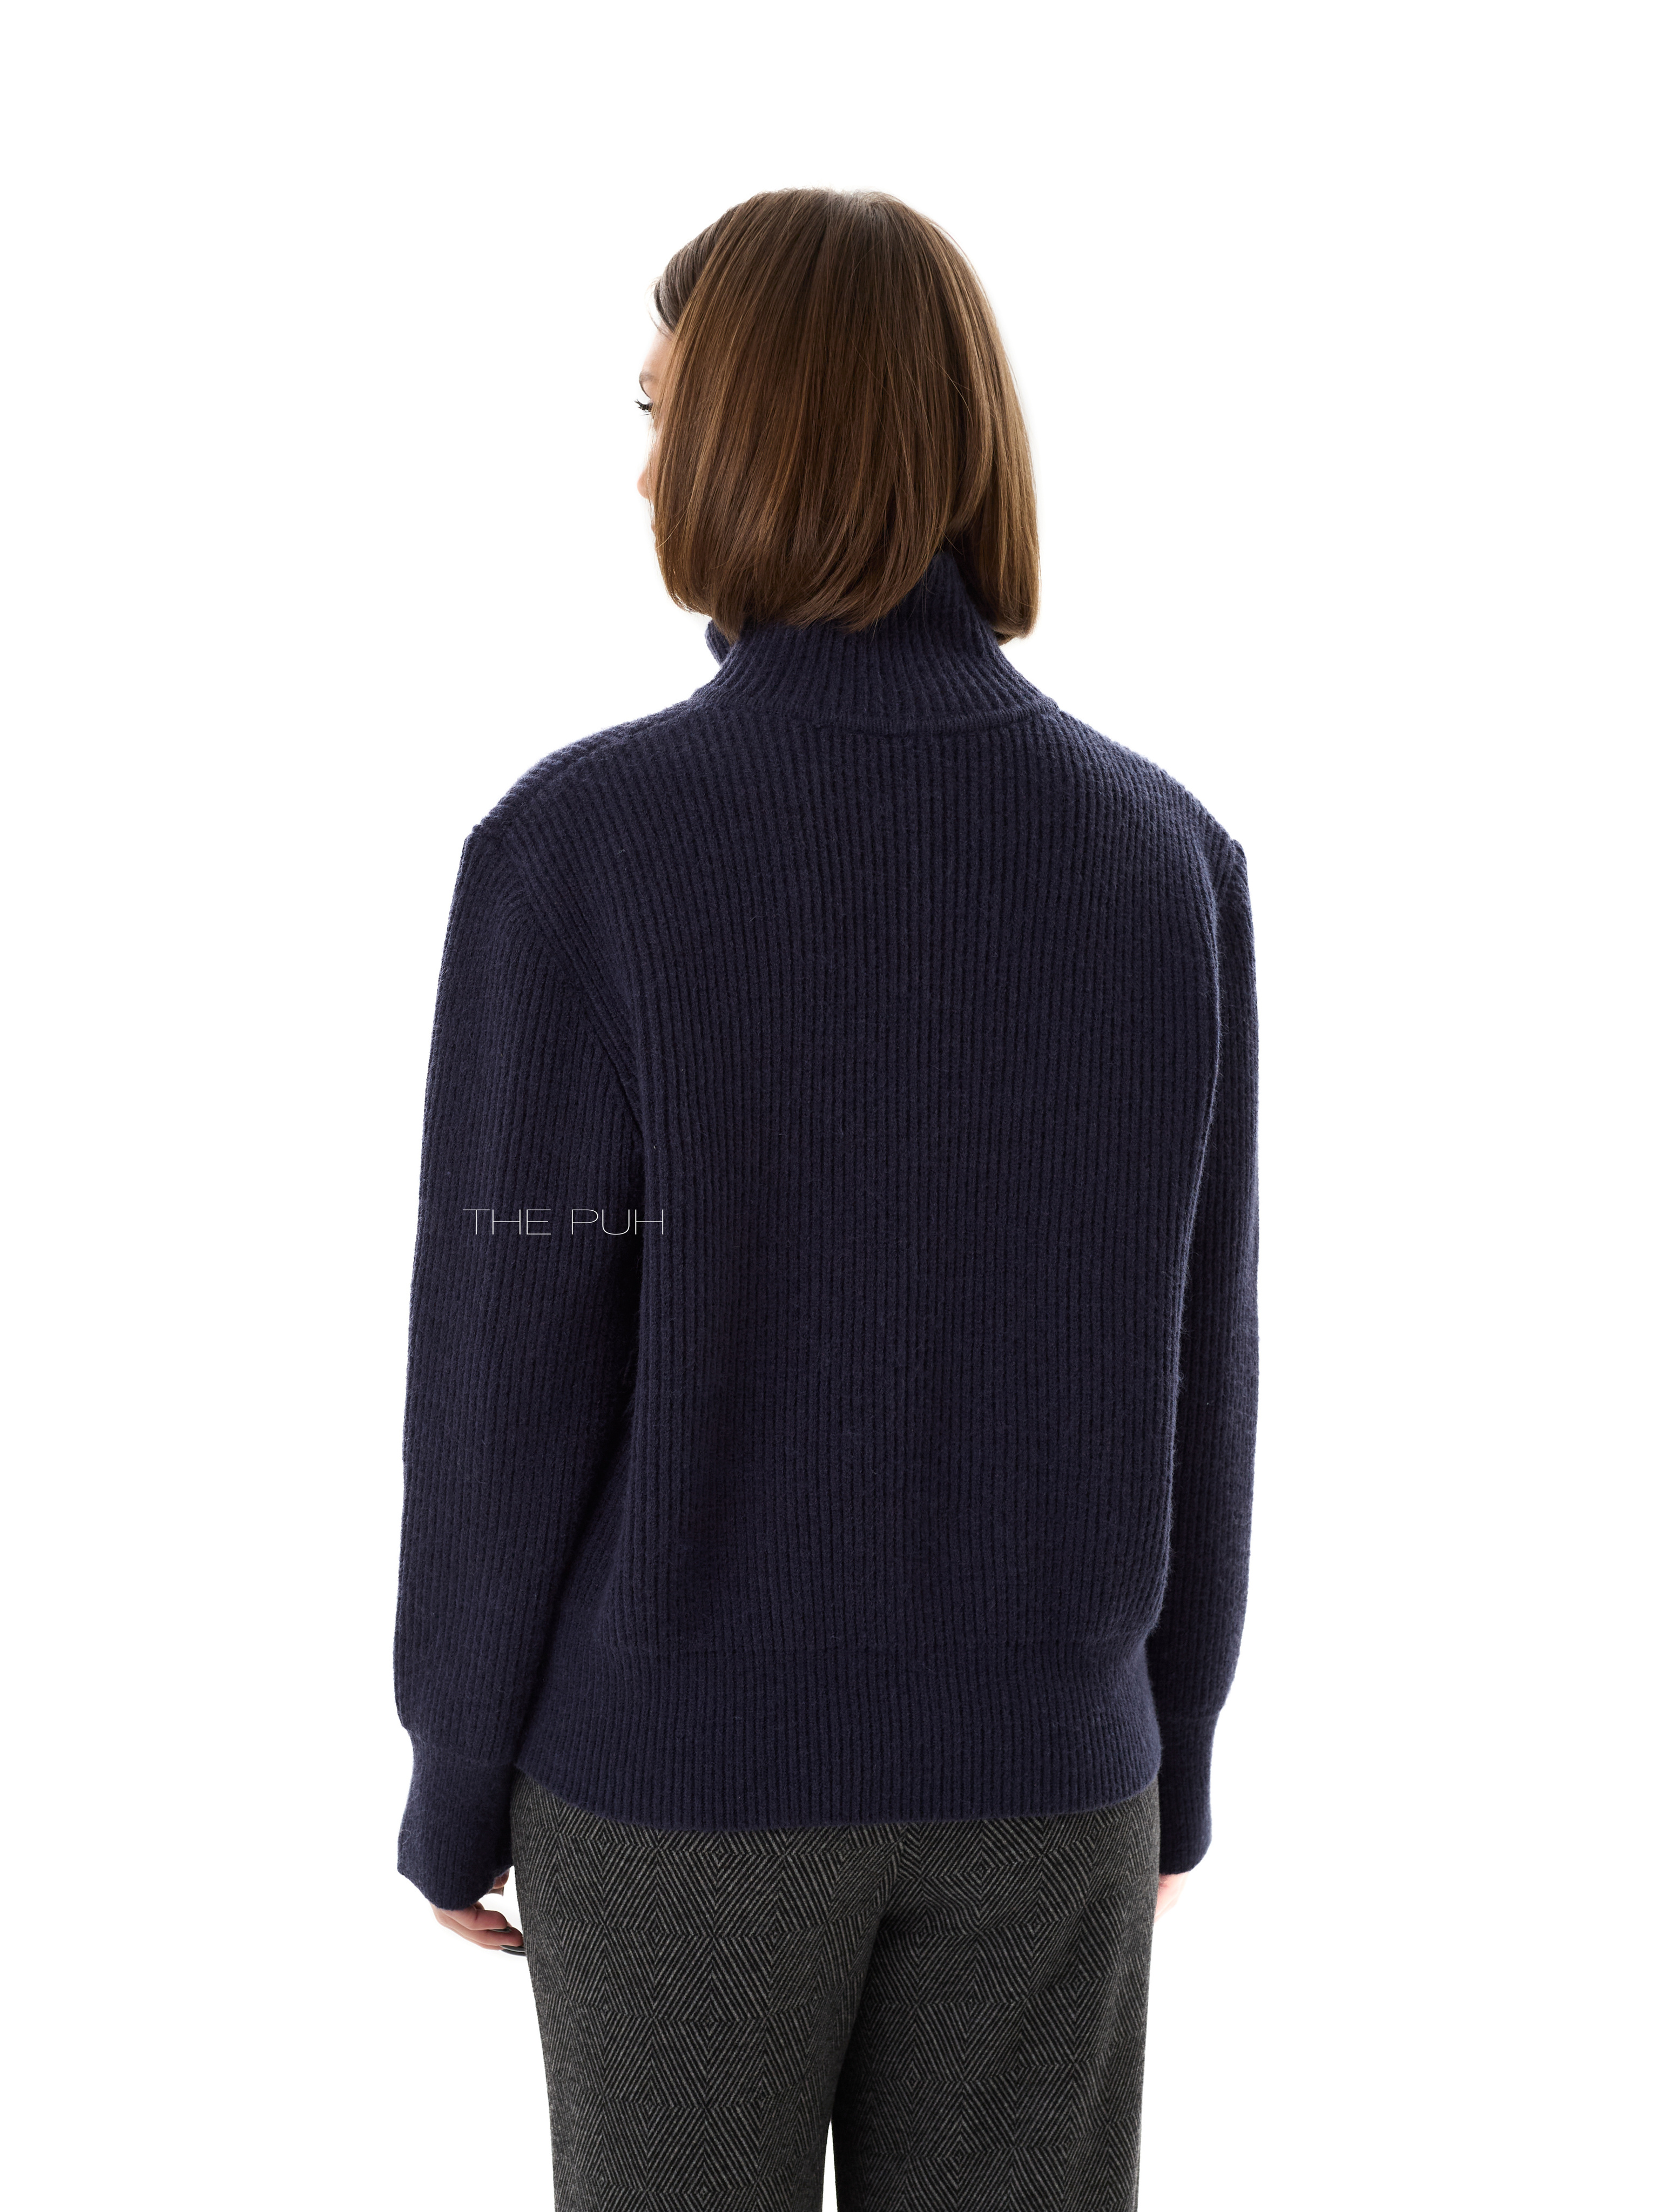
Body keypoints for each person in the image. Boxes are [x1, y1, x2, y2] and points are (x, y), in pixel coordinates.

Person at [393, 186, 1259, 2210]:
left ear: (754, 441)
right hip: (1053, 1789)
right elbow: (1201, 1356)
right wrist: (1173, 1752)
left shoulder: (583, 853)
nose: (642, 468)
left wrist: (455, 1776)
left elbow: (512, 1366)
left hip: (679, 1801)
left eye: (660, 411)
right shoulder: (1167, 862)